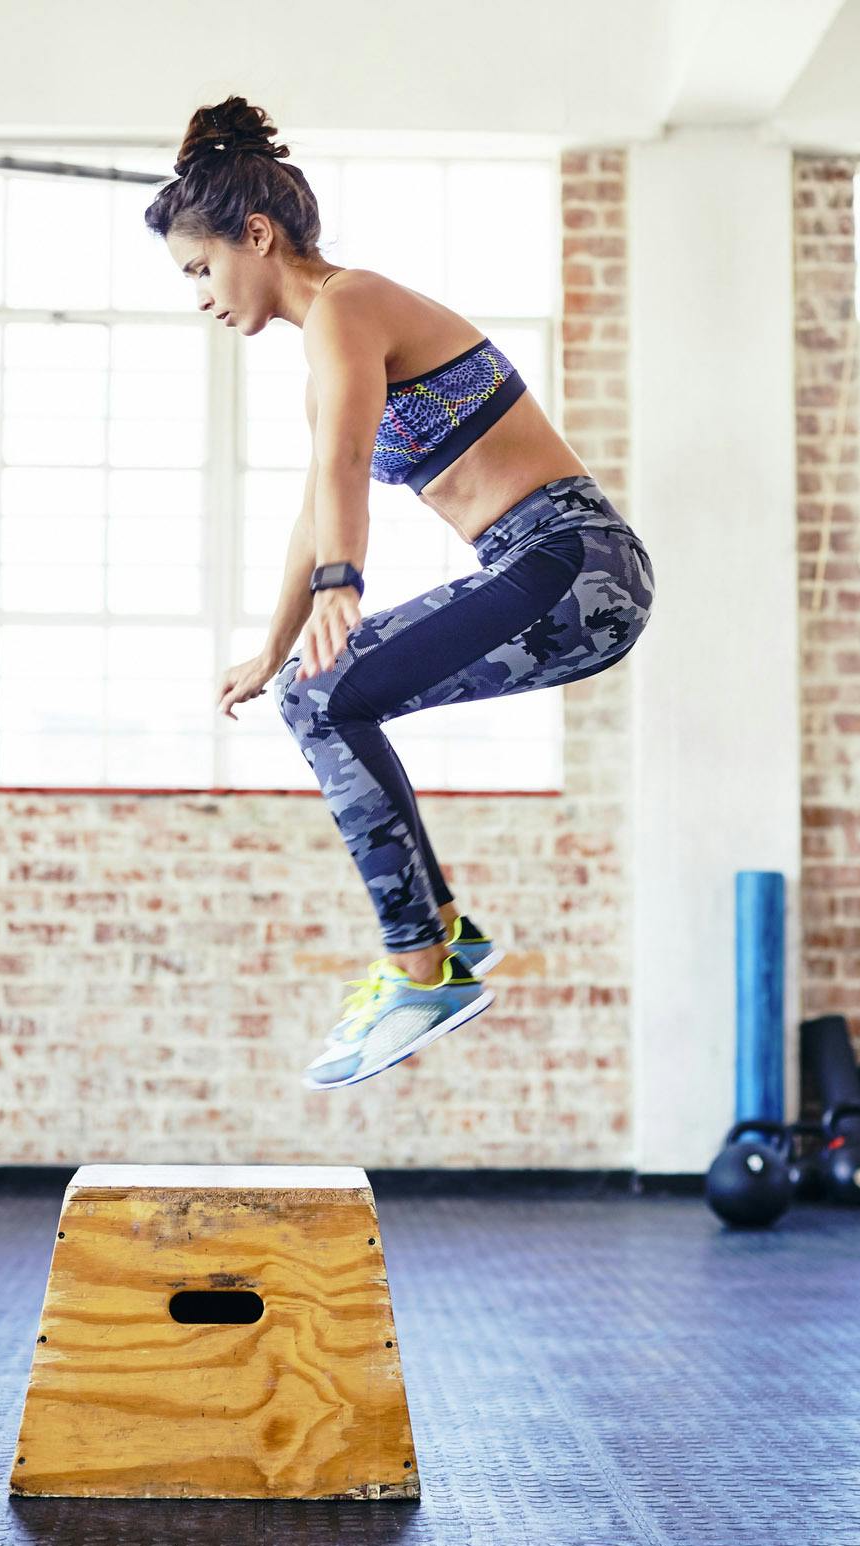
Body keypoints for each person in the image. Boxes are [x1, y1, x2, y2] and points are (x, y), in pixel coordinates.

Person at [145, 95, 656, 1091]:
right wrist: (272, 644)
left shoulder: (351, 305)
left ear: (258, 236)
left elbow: (345, 465)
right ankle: (443, 937)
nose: (199, 295)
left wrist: (345, 581)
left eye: (200, 268)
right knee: (309, 689)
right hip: (552, 569)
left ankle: (419, 968)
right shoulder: (327, 352)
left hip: (572, 561)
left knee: (321, 696)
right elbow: (313, 508)